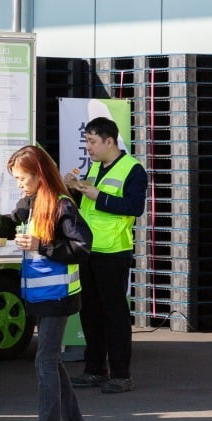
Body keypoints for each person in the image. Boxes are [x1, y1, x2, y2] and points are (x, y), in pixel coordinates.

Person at [0, 145, 92, 421]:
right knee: (51, 360)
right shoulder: (31, 201)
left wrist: (43, 246)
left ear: (39, 174)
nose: (19, 184)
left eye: (22, 178)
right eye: (16, 178)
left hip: (58, 296)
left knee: (45, 361)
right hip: (43, 295)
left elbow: (82, 247)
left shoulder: (61, 204)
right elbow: (13, 220)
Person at [64, 116, 148, 394]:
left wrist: (98, 195)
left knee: (115, 314)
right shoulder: (96, 167)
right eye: (87, 141)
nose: (88, 147)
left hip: (113, 251)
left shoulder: (133, 169)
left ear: (109, 141)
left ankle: (121, 374)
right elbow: (88, 204)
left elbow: (134, 207)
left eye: (92, 141)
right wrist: (74, 188)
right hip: (88, 249)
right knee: (89, 312)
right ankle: (94, 369)